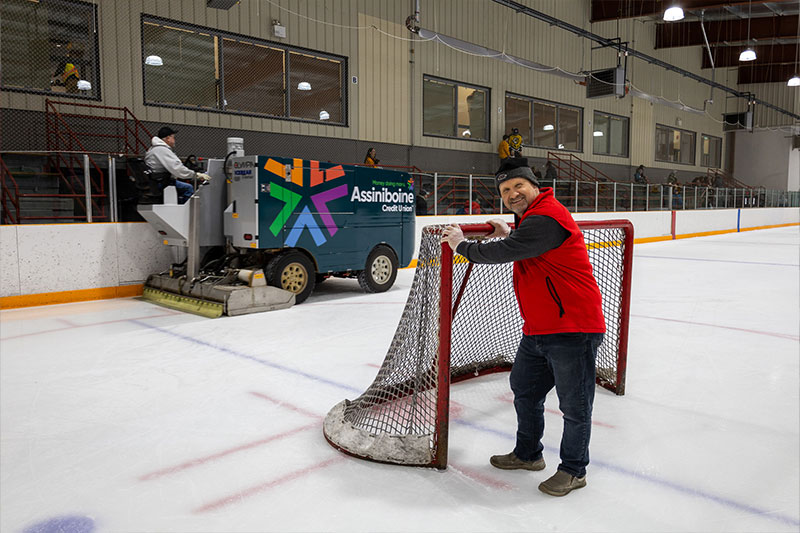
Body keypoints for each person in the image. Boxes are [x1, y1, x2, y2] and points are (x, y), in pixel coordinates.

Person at [441, 157, 605, 497]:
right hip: (539, 329)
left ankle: (574, 470)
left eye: (518, 186)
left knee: (575, 405)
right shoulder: (533, 219)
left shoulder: (547, 215)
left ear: (535, 187)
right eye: (505, 190)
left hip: (572, 329)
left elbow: (510, 250)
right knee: (525, 389)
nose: (512, 194)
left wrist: (462, 245)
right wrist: (510, 231)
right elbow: (525, 244)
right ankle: (528, 454)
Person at [145, 126, 211, 204]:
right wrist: (195, 175)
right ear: (168, 138)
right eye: (173, 137)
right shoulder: (162, 150)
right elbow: (177, 169)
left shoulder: (153, 149)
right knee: (188, 188)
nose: (174, 140)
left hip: (156, 181)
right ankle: (186, 210)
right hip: (162, 183)